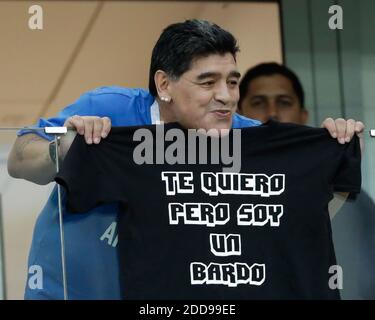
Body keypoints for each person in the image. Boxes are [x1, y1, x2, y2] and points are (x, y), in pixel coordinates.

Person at [7, 20, 364, 300]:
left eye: (232, 81)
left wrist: (333, 147)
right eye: (207, 83)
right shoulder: (107, 110)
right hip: (70, 289)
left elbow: (294, 210)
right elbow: (19, 159)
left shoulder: (247, 139)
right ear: (164, 85)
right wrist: (64, 150)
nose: (225, 96)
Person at [238, 62, 374, 299]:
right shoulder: (216, 192)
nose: (272, 112)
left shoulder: (353, 202)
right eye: (258, 102)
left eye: (284, 102)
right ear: (238, 113)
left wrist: (338, 166)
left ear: (303, 114)